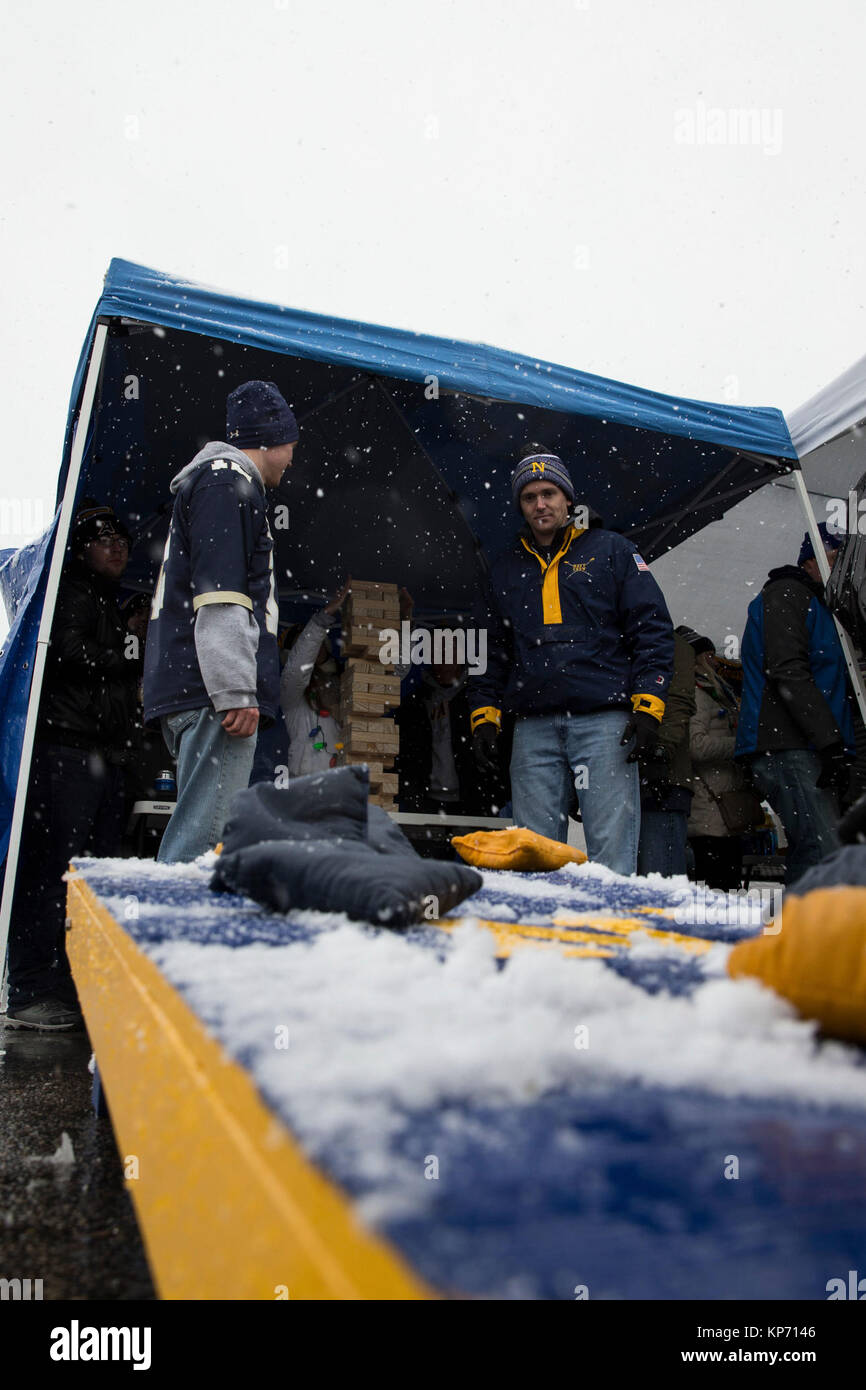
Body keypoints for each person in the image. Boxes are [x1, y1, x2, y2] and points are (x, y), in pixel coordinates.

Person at [469, 448, 675, 874]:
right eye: (529, 497)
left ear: (567, 498)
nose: (540, 504)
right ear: (520, 506)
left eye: (549, 493)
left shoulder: (613, 550)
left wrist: (649, 705)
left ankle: (609, 937)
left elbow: (652, 629)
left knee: (612, 855)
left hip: (605, 723)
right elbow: (491, 651)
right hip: (532, 728)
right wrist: (483, 717)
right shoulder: (504, 568)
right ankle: (543, 939)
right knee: (533, 856)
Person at [143, 380, 297, 863]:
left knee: (199, 838)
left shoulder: (221, 480)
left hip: (198, 690)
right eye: (292, 441)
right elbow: (221, 597)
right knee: (199, 854)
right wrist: (235, 689)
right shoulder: (226, 479)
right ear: (272, 437)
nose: (294, 455)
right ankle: (170, 938)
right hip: (213, 696)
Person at [4, 502, 140, 1029]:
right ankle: (32, 989)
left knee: (87, 876)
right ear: (81, 549)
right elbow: (64, 651)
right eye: (104, 538)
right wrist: (127, 661)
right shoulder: (74, 593)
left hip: (100, 754)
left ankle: (67, 987)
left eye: (122, 537)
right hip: (68, 753)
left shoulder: (105, 601)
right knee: (54, 872)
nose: (117, 545)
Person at [735, 522, 855, 885]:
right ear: (810, 560)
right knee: (824, 851)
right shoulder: (787, 594)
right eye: (835, 557)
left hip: (804, 745)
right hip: (787, 746)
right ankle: (804, 938)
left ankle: (807, 935)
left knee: (819, 850)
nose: (841, 568)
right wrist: (829, 741)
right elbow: (787, 670)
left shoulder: (818, 604)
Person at [679, 625, 750, 891]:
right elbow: (695, 746)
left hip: (722, 804)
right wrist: (739, 745)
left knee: (726, 883)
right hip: (709, 806)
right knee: (721, 884)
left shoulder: (716, 690)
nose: (713, 659)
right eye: (707, 654)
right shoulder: (696, 693)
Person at [396, 655, 508, 816]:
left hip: (475, 802)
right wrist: (413, 796)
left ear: (462, 654)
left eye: (450, 650)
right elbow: (406, 756)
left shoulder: (479, 697)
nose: (443, 659)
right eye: (437, 652)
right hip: (426, 803)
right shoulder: (416, 702)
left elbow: (498, 751)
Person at [636, 631, 695, 876]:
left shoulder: (666, 643)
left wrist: (660, 753)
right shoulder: (624, 637)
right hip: (639, 778)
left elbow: (678, 703)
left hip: (661, 779)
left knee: (659, 878)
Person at [281, 581, 350, 777]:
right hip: (306, 784)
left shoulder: (347, 680)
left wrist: (405, 624)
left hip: (345, 784)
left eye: (319, 642)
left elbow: (389, 681)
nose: (314, 649)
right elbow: (298, 666)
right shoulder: (292, 690)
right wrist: (324, 617)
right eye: (299, 646)